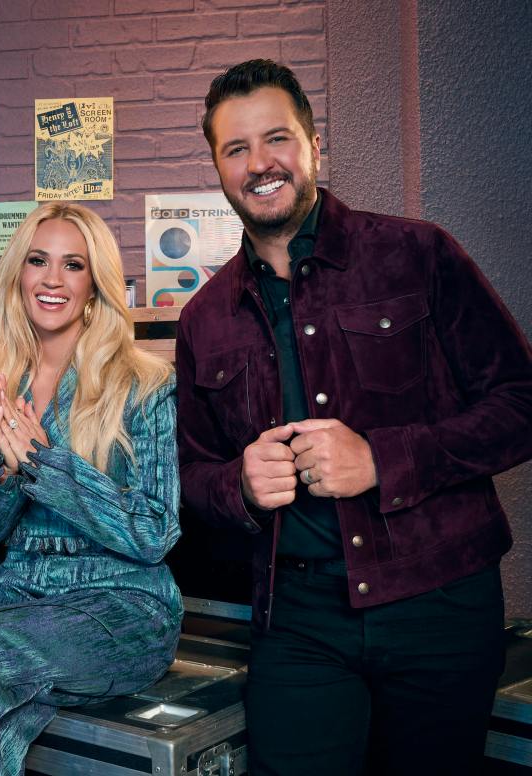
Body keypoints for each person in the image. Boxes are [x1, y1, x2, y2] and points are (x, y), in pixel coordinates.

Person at [176, 59, 532, 776]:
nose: (259, 163)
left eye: (276, 138)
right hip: (298, 619)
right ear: (218, 168)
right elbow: (192, 476)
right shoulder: (204, 317)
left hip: (439, 600)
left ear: (313, 144)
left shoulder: (416, 253)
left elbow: (520, 403)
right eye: (236, 148)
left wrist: (382, 459)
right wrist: (238, 485)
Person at [0, 202, 183, 775]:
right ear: (17, 274)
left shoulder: (143, 384)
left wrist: (45, 465)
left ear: (94, 285)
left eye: (74, 265)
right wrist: (10, 474)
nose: (52, 279)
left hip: (122, 609)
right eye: (38, 261)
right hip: (15, 604)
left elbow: (154, 532)